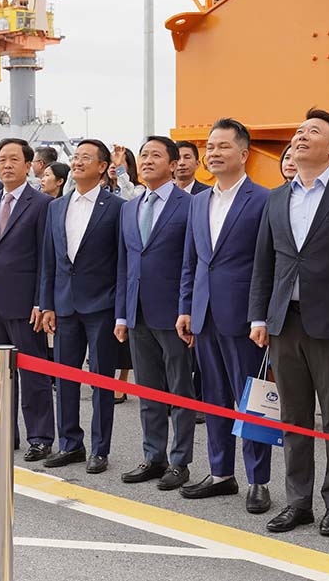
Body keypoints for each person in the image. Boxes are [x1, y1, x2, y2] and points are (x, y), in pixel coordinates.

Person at [249, 108, 329, 537]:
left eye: (312, 131)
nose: (300, 136)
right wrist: (260, 316)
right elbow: (264, 263)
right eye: (299, 131)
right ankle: (298, 501)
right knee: (293, 416)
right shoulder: (276, 197)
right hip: (284, 322)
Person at [176, 118, 273, 515]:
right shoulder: (198, 201)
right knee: (214, 398)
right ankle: (220, 473)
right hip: (204, 314)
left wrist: (260, 316)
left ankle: (258, 480)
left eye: (223, 146)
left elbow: (267, 264)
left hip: (244, 318)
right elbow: (192, 261)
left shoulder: (263, 199)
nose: (213, 153)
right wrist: (185, 307)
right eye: (210, 147)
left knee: (250, 400)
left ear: (244, 153)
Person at [114, 136, 195, 491]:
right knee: (147, 391)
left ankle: (180, 462)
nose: (147, 160)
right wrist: (121, 315)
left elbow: (192, 263)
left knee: (179, 390)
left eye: (156, 155)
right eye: (144, 154)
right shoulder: (129, 207)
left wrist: (187, 309)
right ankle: (153, 456)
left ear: (173, 164)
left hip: (174, 314)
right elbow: (124, 264)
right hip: (137, 312)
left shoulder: (190, 205)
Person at [0, 138, 55, 458]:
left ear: (28, 165)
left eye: (14, 159)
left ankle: (40, 437)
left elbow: (46, 257)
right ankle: (4, 434)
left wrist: (41, 302)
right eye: (2, 159)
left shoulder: (41, 203)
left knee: (33, 374)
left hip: (25, 304)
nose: (6, 165)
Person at [40, 139, 124, 474]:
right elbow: (49, 260)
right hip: (64, 305)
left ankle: (100, 449)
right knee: (65, 378)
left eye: (85, 157)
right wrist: (46, 304)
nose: (77, 162)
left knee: (102, 380)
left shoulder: (116, 207)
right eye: (75, 156)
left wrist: (119, 308)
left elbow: (122, 261)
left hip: (102, 305)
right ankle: (70, 444)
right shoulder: (56, 207)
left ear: (102, 167)